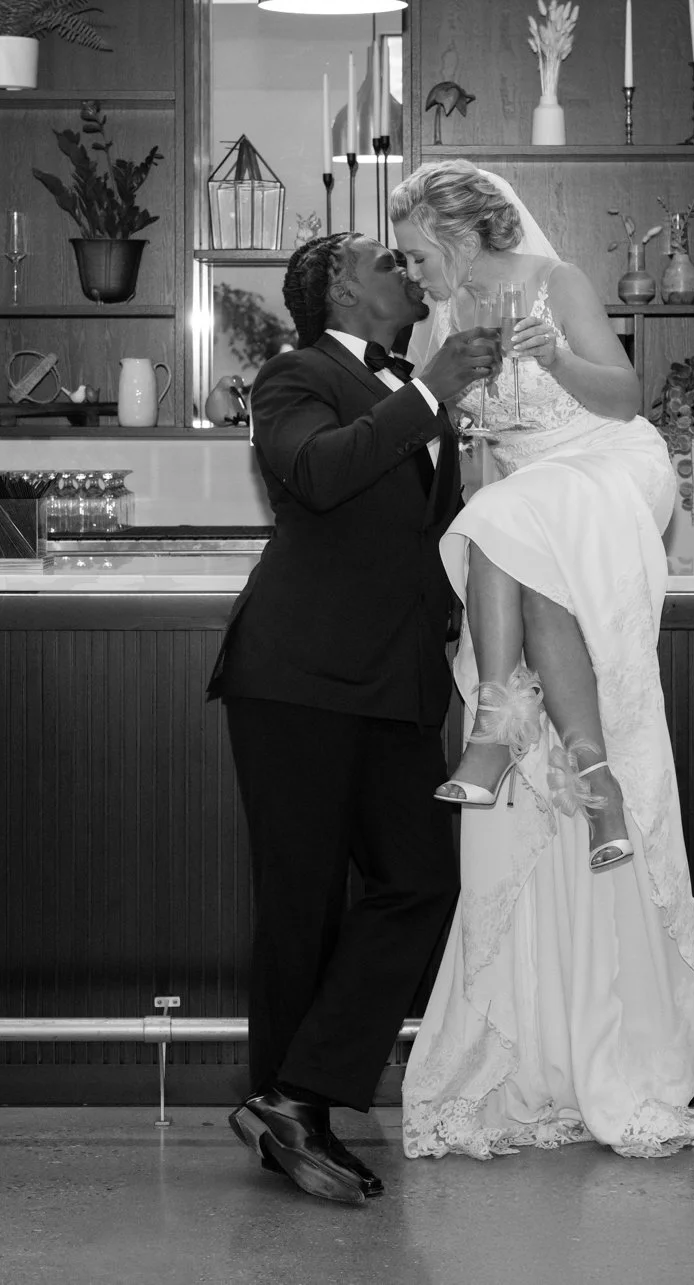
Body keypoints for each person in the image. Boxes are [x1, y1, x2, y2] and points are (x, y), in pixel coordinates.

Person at [389, 161, 694, 1160]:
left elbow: (626, 397)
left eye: (417, 253)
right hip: (532, 514)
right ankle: (593, 776)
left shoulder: (556, 285)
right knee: (511, 524)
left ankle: (496, 725)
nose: (411, 272)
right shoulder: (441, 324)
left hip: (610, 471)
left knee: (516, 517)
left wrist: (551, 356)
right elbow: (463, 453)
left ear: (463, 235)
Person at [207, 232, 502, 1204]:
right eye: (387, 262)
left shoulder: (417, 388)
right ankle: (297, 1115)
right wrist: (429, 395)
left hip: (396, 682)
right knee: (301, 904)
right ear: (339, 288)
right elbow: (318, 472)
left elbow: (424, 532)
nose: (408, 274)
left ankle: (293, 1094)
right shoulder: (293, 375)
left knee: (420, 881)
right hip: (297, 675)